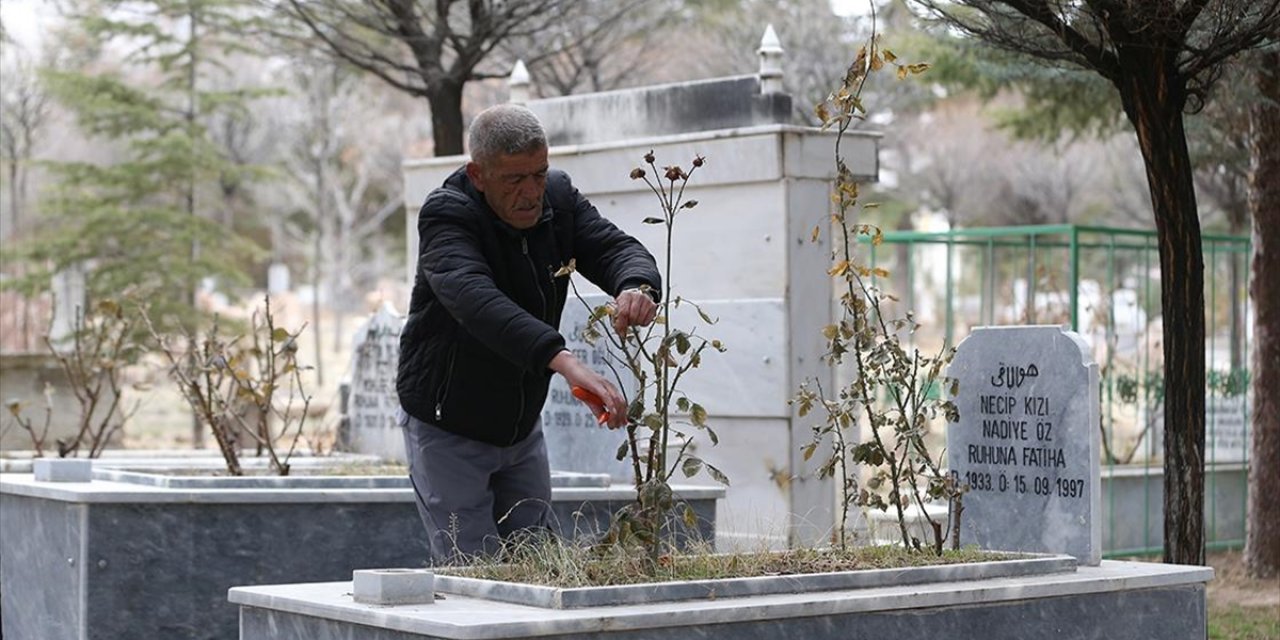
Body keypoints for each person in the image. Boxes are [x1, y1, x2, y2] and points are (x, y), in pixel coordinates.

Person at [396, 103, 660, 564]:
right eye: (514, 180)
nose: (531, 193)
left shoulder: (558, 198)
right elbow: (477, 301)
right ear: (478, 175)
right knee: (473, 572)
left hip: (519, 429)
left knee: (539, 564)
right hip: (448, 427)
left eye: (538, 174)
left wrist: (636, 286)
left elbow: (613, 247)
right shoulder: (447, 215)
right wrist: (564, 361)